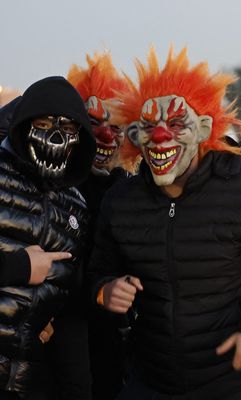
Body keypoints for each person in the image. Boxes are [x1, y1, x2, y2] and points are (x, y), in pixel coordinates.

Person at [87, 48, 241, 400]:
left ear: (204, 129)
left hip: (231, 383)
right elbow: (97, 271)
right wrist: (104, 290)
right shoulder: (120, 202)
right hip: (150, 381)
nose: (161, 136)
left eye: (176, 124)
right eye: (149, 126)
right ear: (134, 136)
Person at [0, 76, 96, 399]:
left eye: (68, 129)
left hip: (23, 380)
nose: (55, 136)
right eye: (44, 123)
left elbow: (68, 292)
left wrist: (43, 315)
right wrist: (20, 267)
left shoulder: (76, 205)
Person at [67, 51, 134, 399]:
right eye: (95, 124)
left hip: (115, 332)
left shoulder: (132, 192)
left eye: (117, 126)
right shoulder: (58, 186)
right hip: (64, 326)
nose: (106, 137)